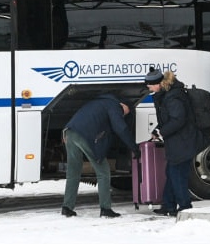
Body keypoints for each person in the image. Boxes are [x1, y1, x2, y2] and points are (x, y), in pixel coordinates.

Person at [61, 93, 139, 218]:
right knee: (103, 172)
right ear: (123, 105)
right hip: (85, 136)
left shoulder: (101, 102)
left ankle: (67, 207)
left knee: (73, 172)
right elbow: (121, 128)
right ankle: (106, 209)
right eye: (126, 111)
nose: (124, 114)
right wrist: (134, 148)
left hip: (69, 133)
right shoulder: (114, 106)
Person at [146, 68, 201, 216]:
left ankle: (185, 207)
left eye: (150, 85)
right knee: (172, 173)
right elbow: (169, 119)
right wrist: (158, 130)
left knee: (177, 174)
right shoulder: (166, 95)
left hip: (183, 141)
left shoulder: (173, 97)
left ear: (159, 83)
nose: (148, 87)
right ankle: (168, 205)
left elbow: (178, 119)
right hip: (178, 141)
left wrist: (161, 132)